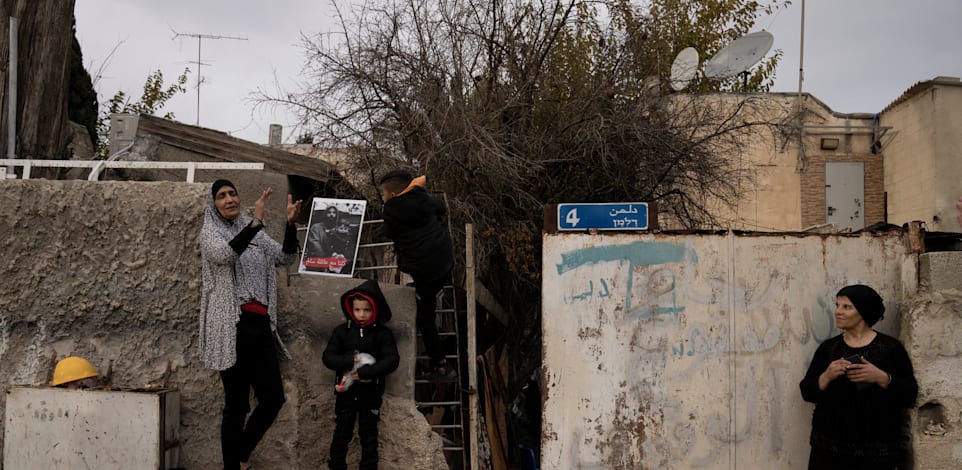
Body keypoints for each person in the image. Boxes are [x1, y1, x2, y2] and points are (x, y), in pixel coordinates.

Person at [199, 179, 303, 470]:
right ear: (213, 203)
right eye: (222, 196)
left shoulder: (252, 230)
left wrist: (290, 225)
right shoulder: (210, 232)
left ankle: (241, 454)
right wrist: (255, 223)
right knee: (237, 404)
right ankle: (233, 466)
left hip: (261, 325)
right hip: (230, 325)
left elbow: (284, 257)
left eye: (233, 193)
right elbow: (224, 256)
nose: (229, 199)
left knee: (272, 398)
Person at [799, 284, 918, 470]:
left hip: (877, 452)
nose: (838, 311)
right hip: (829, 449)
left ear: (863, 311)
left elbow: (910, 394)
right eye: (837, 305)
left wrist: (882, 377)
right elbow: (807, 392)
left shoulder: (891, 348)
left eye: (846, 307)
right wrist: (826, 376)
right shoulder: (829, 348)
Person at [378, 170, 455, 379]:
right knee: (427, 309)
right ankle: (440, 363)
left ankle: (441, 365)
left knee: (425, 320)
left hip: (424, 270)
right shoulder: (422, 199)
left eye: (383, 194)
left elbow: (388, 232)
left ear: (393, 195)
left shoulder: (391, 210)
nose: (382, 198)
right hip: (444, 259)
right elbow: (440, 207)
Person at [323, 279, 400, 470]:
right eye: (357, 310)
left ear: (375, 309)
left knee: (369, 437)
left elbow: (391, 360)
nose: (361, 315)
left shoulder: (382, 334)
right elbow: (328, 357)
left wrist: (367, 372)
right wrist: (348, 362)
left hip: (370, 395)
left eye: (366, 310)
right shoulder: (342, 332)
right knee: (341, 435)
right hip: (345, 395)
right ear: (351, 309)